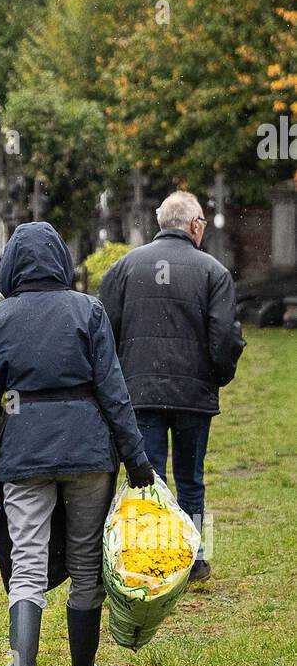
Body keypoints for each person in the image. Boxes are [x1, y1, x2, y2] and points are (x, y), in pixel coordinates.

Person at [0, 221, 153, 666]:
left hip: (23, 454)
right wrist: (136, 457)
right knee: (87, 563)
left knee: (26, 561)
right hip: (88, 451)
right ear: (62, 262)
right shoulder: (87, 310)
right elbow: (114, 389)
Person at [99, 191, 245, 583]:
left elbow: (104, 333)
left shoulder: (124, 268)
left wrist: (116, 382)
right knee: (191, 477)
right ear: (196, 226)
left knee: (148, 477)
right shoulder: (213, 272)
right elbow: (225, 338)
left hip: (138, 392)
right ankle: (195, 558)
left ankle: (155, 559)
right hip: (193, 395)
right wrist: (217, 375)